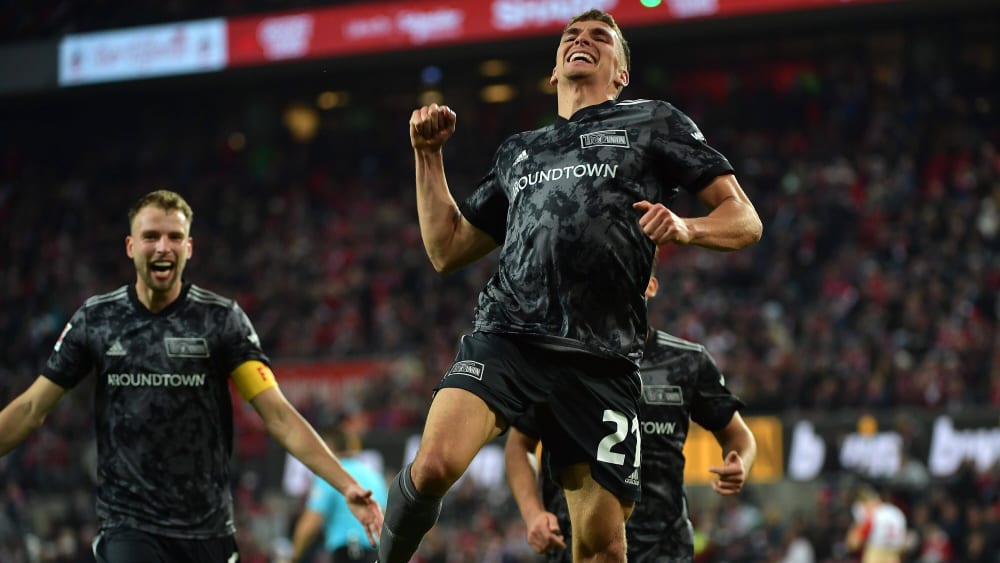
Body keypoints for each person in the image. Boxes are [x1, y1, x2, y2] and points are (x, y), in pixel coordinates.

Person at [382, 8, 762, 563]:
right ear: (554, 70)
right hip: (509, 336)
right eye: (571, 36)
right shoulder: (520, 151)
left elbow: (745, 219)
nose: (582, 41)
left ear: (621, 72)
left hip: (601, 358)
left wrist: (687, 228)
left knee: (602, 547)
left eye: (599, 37)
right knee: (435, 464)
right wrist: (428, 155)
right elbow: (448, 249)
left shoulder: (654, 122)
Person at [0, 190, 383, 563]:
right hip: (128, 527)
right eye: (151, 236)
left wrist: (346, 484)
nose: (163, 247)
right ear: (130, 246)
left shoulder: (222, 320)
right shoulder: (97, 320)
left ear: (189, 248)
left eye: (174, 237)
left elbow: (278, 415)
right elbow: (32, 407)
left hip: (207, 533)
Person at [505, 272, 757, 562]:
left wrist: (741, 462)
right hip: (579, 546)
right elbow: (519, 444)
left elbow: (738, 436)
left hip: (663, 549)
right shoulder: (559, 361)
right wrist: (533, 513)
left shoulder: (687, 362)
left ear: (650, 285)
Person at [289, 421, 389, 563]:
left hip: (347, 554)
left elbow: (310, 525)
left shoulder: (330, 476)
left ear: (328, 447)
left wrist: (293, 557)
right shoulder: (374, 475)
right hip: (377, 554)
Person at [845, 485, 908, 563]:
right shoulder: (897, 512)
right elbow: (903, 542)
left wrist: (856, 526)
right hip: (894, 557)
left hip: (876, 556)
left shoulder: (873, 515)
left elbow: (854, 543)